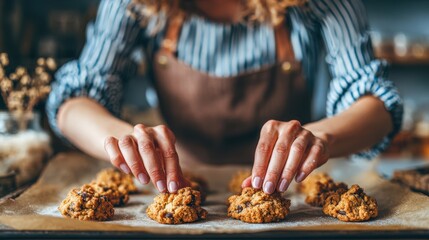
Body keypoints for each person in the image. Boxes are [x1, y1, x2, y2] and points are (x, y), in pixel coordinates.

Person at [47, 0, 402, 195]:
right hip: (173, 181)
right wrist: (122, 141)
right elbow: (73, 101)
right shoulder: (137, 3)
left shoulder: (313, 4)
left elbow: (375, 99)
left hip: (291, 189)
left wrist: (322, 138)